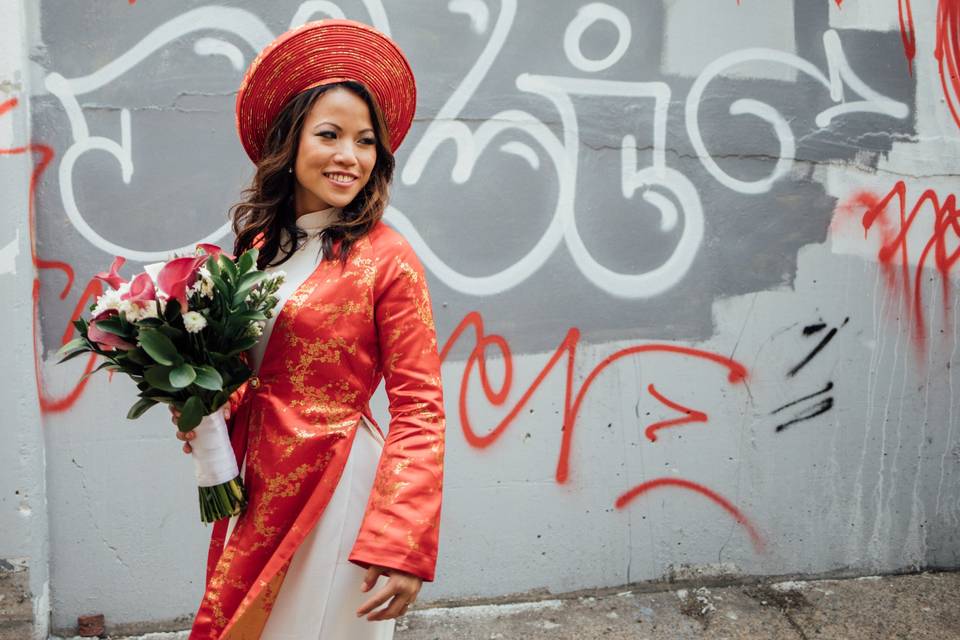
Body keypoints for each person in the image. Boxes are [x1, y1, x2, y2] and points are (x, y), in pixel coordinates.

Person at [169, 19, 445, 639]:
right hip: (256, 484)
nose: (350, 156)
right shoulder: (256, 248)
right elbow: (243, 370)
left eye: (366, 141)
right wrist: (200, 403)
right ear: (290, 144)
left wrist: (400, 539)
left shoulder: (387, 257)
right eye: (330, 134)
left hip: (336, 483)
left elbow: (420, 406)